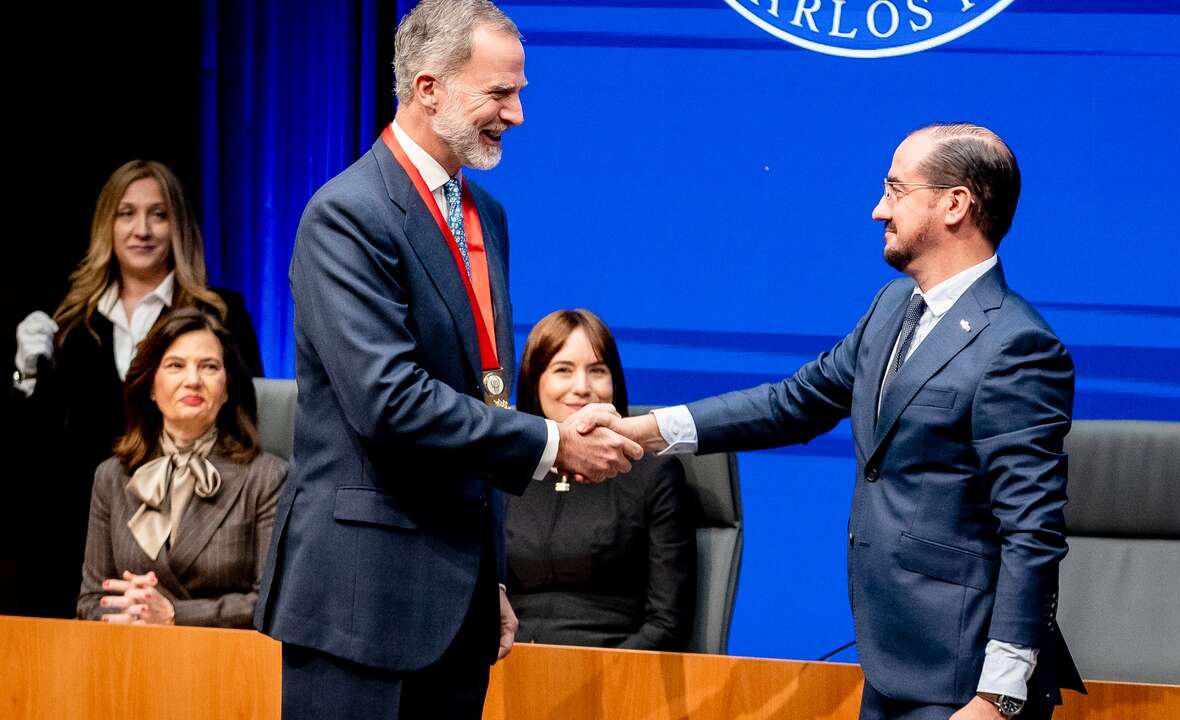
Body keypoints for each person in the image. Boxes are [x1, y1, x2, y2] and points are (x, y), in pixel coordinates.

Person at [609, 124, 1085, 720]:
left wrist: (1000, 695)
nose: (877, 208)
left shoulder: (1017, 346)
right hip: (891, 665)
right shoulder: (891, 308)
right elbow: (794, 401)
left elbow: (1031, 531)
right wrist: (645, 430)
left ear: (955, 203)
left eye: (895, 189)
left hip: (960, 683)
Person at [254, 3, 641, 719]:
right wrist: (553, 442)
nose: (517, 113)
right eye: (499, 93)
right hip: (358, 607)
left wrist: (485, 576)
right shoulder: (346, 215)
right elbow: (389, 401)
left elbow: (481, 392)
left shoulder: (483, 213)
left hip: (457, 607)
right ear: (428, 88)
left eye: (518, 92)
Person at [9, 159, 263, 619]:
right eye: (126, 213)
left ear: (179, 226)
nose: (142, 229)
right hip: (79, 537)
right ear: (106, 224)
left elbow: (246, 421)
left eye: (158, 214)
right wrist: (26, 377)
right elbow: (38, 449)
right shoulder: (71, 324)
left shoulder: (219, 313)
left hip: (196, 543)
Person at [77, 308, 285, 627]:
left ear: (227, 387)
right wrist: (131, 611)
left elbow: (274, 602)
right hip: (128, 660)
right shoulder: (112, 476)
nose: (193, 381)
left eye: (209, 367)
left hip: (229, 664)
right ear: (149, 385)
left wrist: (175, 614)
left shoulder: (266, 476)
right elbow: (91, 602)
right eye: (176, 366)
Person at [505, 309, 695, 650]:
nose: (582, 388)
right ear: (535, 380)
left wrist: (602, 679)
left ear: (615, 384)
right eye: (563, 370)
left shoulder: (653, 474)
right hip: (504, 672)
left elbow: (667, 624)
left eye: (597, 371)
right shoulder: (505, 471)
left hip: (613, 678)